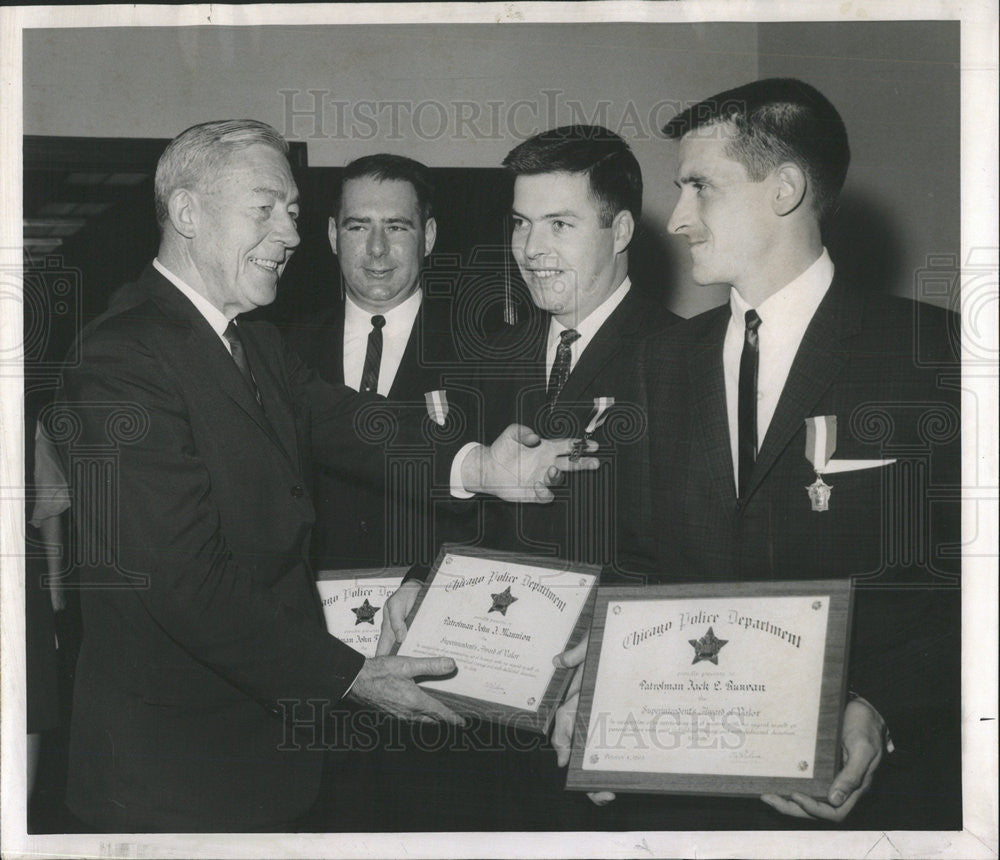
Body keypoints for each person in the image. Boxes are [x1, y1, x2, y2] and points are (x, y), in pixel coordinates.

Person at [54, 119, 598, 832]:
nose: (289, 234)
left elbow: (349, 423)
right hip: (173, 777)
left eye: (293, 213)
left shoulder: (250, 341)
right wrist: (350, 675)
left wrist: (480, 466)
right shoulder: (123, 360)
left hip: (259, 763)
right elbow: (184, 582)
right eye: (265, 209)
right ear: (186, 213)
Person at [552, 79, 961, 829]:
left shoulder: (936, 354)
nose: (675, 220)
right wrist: (600, 685)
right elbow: (637, 561)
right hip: (683, 797)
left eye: (699, 188)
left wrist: (881, 704)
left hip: (870, 805)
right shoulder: (659, 362)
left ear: (785, 189)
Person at [370, 126, 678, 830]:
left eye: (560, 225)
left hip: (597, 712)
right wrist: (421, 575)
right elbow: (465, 507)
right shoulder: (487, 358)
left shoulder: (678, 359)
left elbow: (691, 551)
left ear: (621, 228)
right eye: (520, 224)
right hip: (473, 720)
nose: (532, 250)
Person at [288, 154, 461, 571]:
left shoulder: (482, 352)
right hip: (311, 612)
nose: (377, 248)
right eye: (358, 226)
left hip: (432, 608)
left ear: (429, 236)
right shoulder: (285, 351)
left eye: (397, 226)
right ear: (333, 235)